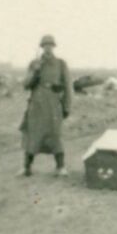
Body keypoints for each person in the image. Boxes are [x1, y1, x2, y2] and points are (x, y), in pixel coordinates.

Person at [17, 34, 72, 177]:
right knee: (33, 134)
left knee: (55, 134)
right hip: (36, 104)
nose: (48, 48)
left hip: (53, 103)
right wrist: (35, 71)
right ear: (42, 47)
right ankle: (26, 167)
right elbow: (26, 85)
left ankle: (60, 167)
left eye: (50, 45)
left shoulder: (60, 64)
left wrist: (67, 106)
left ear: (54, 47)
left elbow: (68, 86)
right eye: (45, 45)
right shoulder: (34, 63)